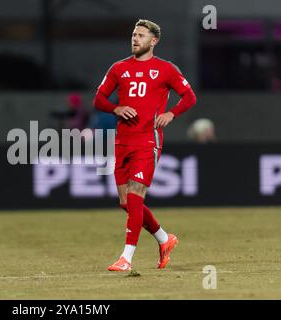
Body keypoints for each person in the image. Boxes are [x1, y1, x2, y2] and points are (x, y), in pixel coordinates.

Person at [93, 19, 197, 271]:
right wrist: (115, 107)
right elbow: (99, 98)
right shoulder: (119, 68)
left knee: (136, 196)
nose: (135, 39)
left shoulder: (165, 69)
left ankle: (126, 258)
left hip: (148, 140)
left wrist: (171, 114)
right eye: (133, 34)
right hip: (122, 141)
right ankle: (165, 239)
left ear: (154, 41)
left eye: (140, 35)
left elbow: (189, 96)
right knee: (126, 203)